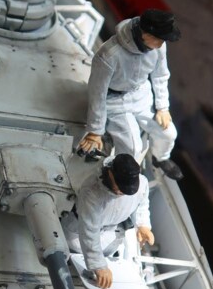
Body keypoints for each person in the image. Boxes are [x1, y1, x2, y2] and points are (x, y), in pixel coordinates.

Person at [78, 9, 183, 180]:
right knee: (133, 148)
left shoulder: (158, 47)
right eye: (159, 39)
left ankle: (161, 157)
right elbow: (97, 93)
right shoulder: (109, 55)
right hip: (116, 103)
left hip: (142, 96)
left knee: (169, 134)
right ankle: (118, 173)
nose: (161, 44)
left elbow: (160, 75)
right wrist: (95, 130)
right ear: (146, 35)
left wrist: (162, 107)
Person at [63, 153, 154, 289]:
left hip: (111, 236)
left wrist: (143, 225)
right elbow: (89, 229)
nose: (122, 192)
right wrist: (98, 265)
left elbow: (142, 204)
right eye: (120, 187)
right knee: (71, 265)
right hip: (78, 237)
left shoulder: (143, 183)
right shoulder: (92, 191)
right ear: (111, 173)